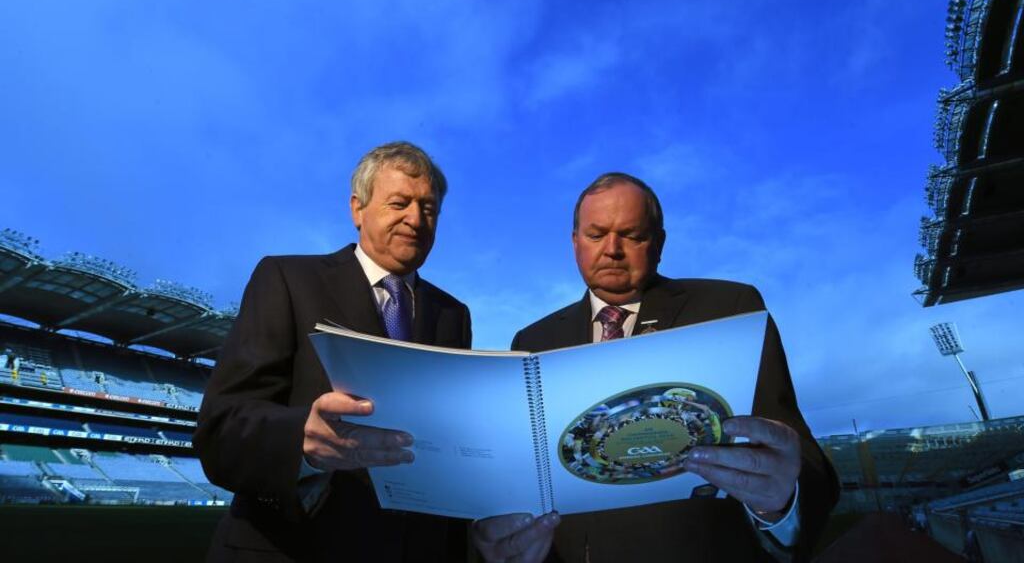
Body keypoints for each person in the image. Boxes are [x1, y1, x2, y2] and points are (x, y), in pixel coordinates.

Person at [473, 173, 838, 562]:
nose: (612, 249)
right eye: (596, 235)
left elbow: (800, 458)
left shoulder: (728, 310)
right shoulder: (532, 341)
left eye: (631, 235)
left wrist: (781, 506)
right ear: (574, 242)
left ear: (659, 243)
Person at [194, 141, 473, 562]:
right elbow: (221, 428)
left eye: (429, 208)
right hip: (297, 547)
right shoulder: (286, 280)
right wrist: (302, 443)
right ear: (357, 209)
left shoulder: (453, 315)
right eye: (399, 203)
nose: (415, 219)